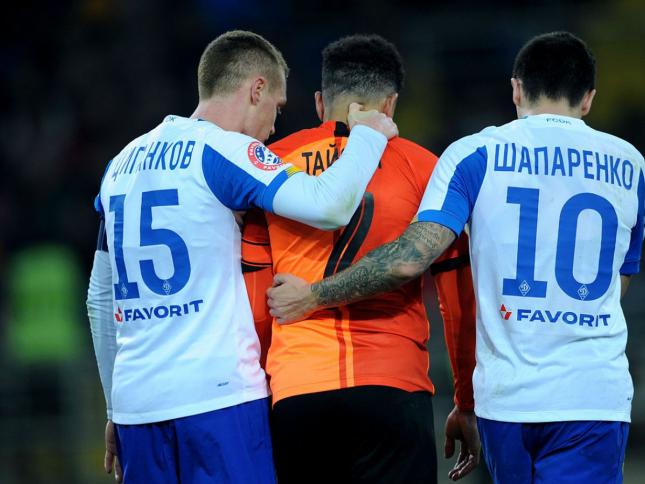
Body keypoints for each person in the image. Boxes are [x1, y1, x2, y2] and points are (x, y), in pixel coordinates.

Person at [267, 31, 644, 484]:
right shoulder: (632, 164)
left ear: (516, 90)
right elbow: (618, 279)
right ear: (588, 98)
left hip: (507, 395)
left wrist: (313, 296)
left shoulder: (473, 154)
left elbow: (409, 259)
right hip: (591, 392)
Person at [85, 30, 398, 484]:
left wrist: (115, 410)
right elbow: (328, 205)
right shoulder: (223, 151)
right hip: (218, 400)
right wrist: (368, 136)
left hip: (137, 406)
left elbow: (99, 298)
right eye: (277, 107)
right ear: (256, 89)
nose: (273, 128)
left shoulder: (119, 165)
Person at [241, 34, 478, 483]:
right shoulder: (425, 168)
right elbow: (457, 300)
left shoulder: (270, 165)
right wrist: (465, 400)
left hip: (298, 388)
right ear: (390, 105)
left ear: (319, 102)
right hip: (393, 388)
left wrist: (259, 397)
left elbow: (254, 301)